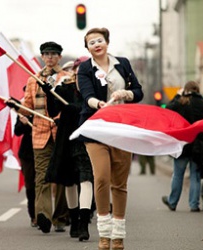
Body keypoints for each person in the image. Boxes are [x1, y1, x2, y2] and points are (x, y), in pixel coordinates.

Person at [77, 27, 143, 250]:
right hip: (96, 127)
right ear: (87, 48)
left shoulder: (122, 64)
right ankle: (104, 233)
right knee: (102, 177)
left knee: (120, 183)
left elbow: (139, 91)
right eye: (91, 42)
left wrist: (126, 94)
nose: (96, 44)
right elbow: (87, 95)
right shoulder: (85, 68)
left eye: (99, 40)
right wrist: (99, 104)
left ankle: (118, 235)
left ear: (107, 42)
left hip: (122, 127)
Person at [8, 41, 69, 234]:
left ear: (59, 57)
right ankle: (43, 215)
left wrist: (61, 118)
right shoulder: (33, 80)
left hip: (61, 133)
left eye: (53, 54)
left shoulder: (67, 78)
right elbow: (28, 106)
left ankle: (60, 217)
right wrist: (16, 107)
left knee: (60, 177)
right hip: (40, 133)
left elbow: (70, 105)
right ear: (42, 57)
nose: (49, 57)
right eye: (46, 54)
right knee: (41, 177)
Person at [45, 56, 94, 241]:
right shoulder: (65, 87)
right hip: (67, 139)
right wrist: (49, 93)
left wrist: (78, 108)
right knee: (69, 181)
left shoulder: (94, 89)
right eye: (78, 69)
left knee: (86, 178)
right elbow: (53, 109)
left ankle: (83, 223)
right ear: (74, 71)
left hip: (86, 138)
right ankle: (73, 221)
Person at [162, 81, 203, 213]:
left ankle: (172, 202)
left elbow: (167, 109)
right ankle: (194, 205)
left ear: (186, 90)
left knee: (178, 174)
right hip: (199, 145)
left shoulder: (181, 103)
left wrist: (177, 96)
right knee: (195, 175)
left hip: (183, 144)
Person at [14, 114, 36, 227]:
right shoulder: (24, 111)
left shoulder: (48, 107)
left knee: (42, 184)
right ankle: (33, 215)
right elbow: (17, 131)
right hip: (27, 154)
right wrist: (23, 123)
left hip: (45, 150)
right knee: (30, 184)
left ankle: (45, 213)